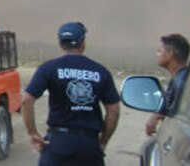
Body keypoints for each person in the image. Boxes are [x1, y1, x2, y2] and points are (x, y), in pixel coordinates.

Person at [22, 22, 121, 165]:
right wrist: (103, 141)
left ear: (60, 43)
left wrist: (32, 133)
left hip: (58, 142)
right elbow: (114, 111)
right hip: (89, 144)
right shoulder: (101, 71)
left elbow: (26, 100)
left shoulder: (48, 68)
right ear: (83, 43)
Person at [145, 33, 190, 136]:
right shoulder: (183, 78)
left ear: (170, 55)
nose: (157, 55)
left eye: (159, 51)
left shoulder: (181, 81)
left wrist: (155, 117)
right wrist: (156, 115)